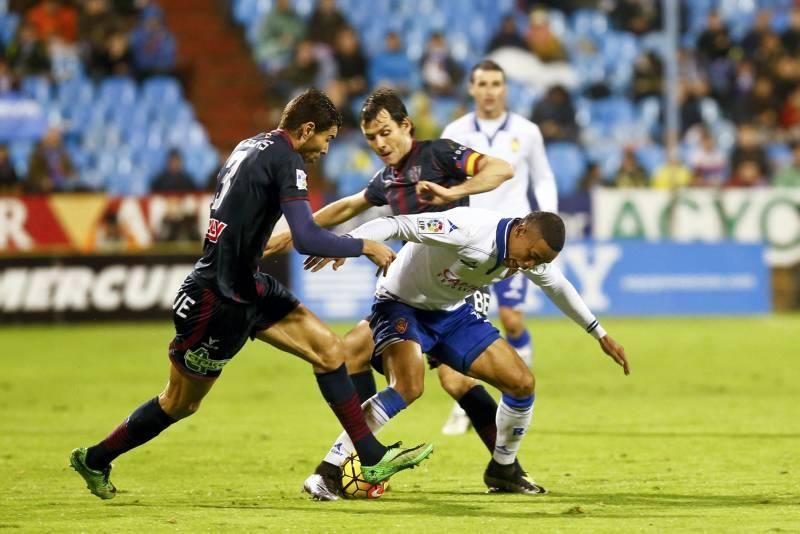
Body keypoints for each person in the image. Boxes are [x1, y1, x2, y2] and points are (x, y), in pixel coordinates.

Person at [69, 89, 433, 501]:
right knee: (180, 403)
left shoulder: (249, 145)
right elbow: (307, 237)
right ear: (307, 129)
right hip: (216, 301)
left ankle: (368, 454)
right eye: (327, 139)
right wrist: (363, 245)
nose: (325, 150)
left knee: (331, 352)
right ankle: (95, 458)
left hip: (248, 285)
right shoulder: (286, 158)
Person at [263, 89, 518, 498]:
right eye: (371, 138)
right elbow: (346, 207)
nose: (381, 144)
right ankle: (361, 464)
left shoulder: (441, 155)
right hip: (412, 293)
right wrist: (290, 233)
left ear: (406, 126)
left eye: (386, 133)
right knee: (351, 356)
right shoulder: (388, 179)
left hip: (456, 291)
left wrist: (453, 193)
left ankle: (506, 469)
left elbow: (502, 169)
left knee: (457, 382)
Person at [303, 207, 629, 497]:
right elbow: (396, 223)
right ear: (519, 230)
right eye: (531, 255)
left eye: (538, 261)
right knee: (408, 386)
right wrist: (348, 243)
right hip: (401, 306)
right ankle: (327, 471)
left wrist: (599, 334)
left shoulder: (528, 254)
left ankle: (503, 470)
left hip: (451, 315)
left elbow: (558, 287)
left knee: (521, 382)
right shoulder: (468, 228)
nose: (530, 265)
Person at [439, 59, 558, 435]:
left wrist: (549, 225)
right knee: (466, 324)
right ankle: (466, 402)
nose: (489, 90)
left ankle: (516, 389)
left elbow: (543, 177)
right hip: (470, 243)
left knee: (511, 320)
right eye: (483, 83)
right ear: (472, 89)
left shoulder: (528, 131)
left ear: (505, 89)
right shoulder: (455, 131)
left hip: (514, 245)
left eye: (496, 83)